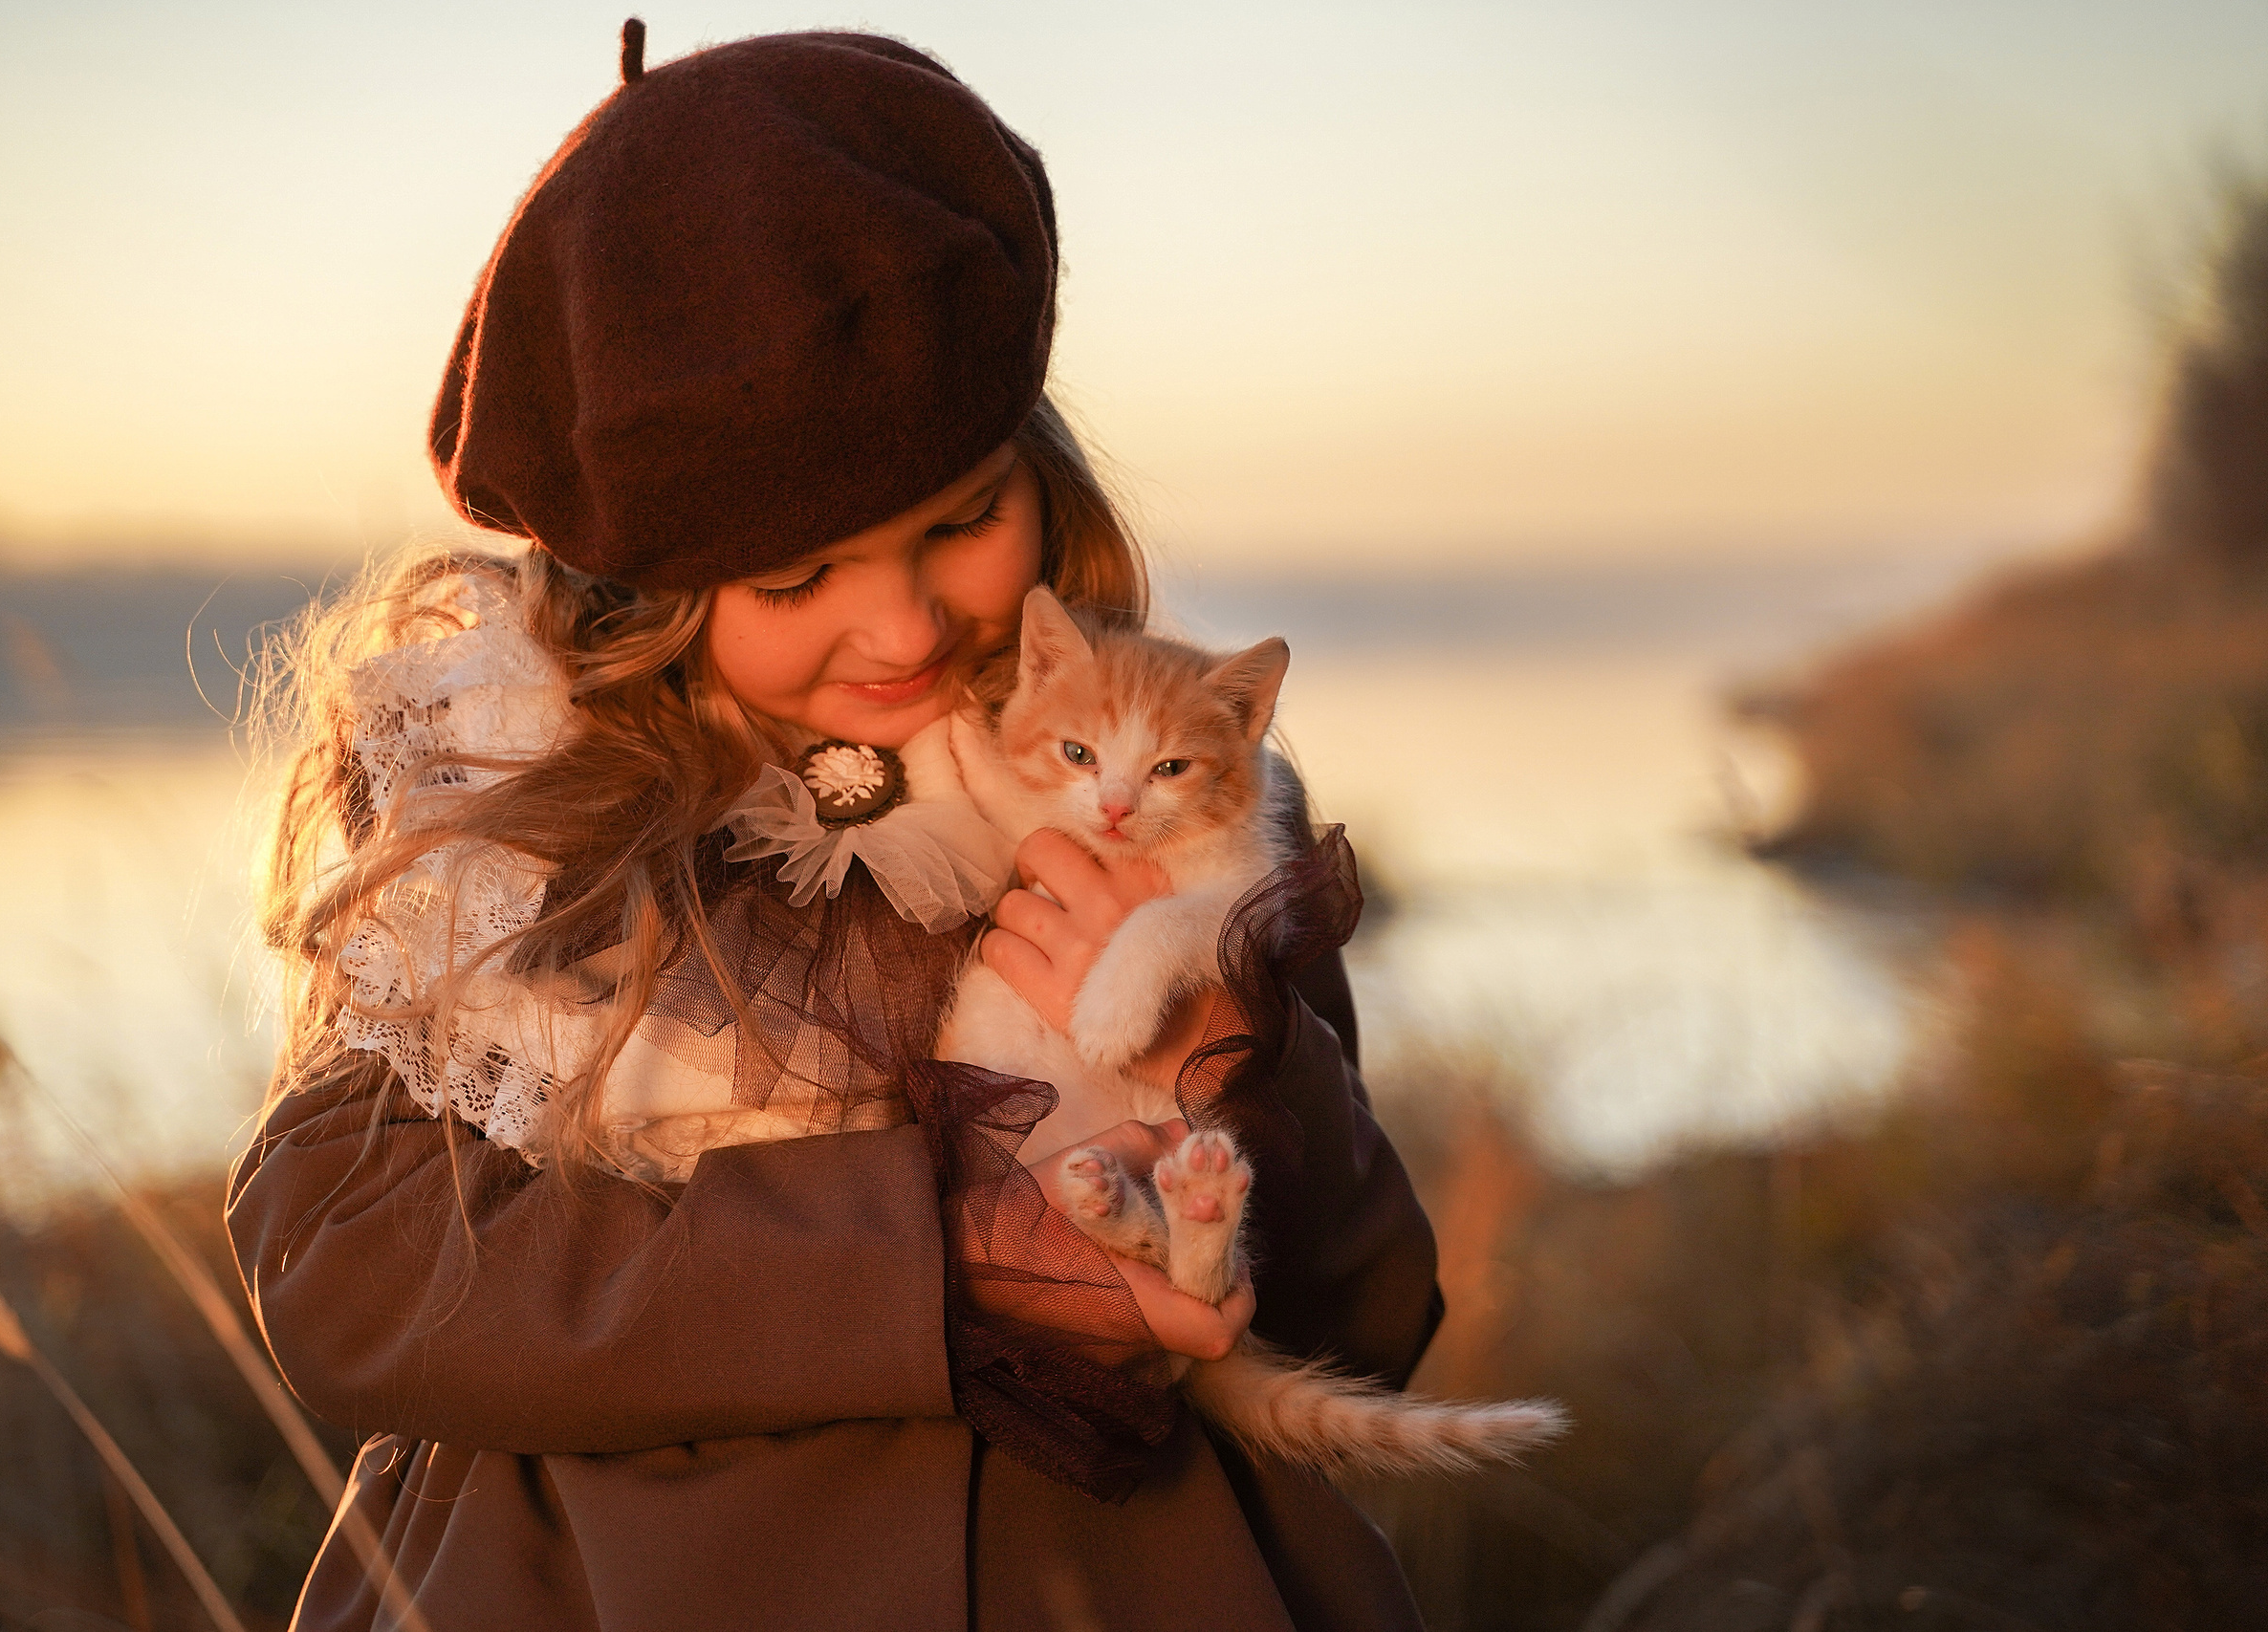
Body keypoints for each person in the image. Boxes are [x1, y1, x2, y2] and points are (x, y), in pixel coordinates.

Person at [229, 23, 1444, 1631]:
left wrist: (1239, 1049)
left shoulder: (1142, 779)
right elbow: (346, 1270)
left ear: (1040, 471)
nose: (899, 630)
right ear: (638, 592)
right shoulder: (514, 807)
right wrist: (924, 1263)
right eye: (796, 581)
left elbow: (1366, 1314)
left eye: (961, 523)